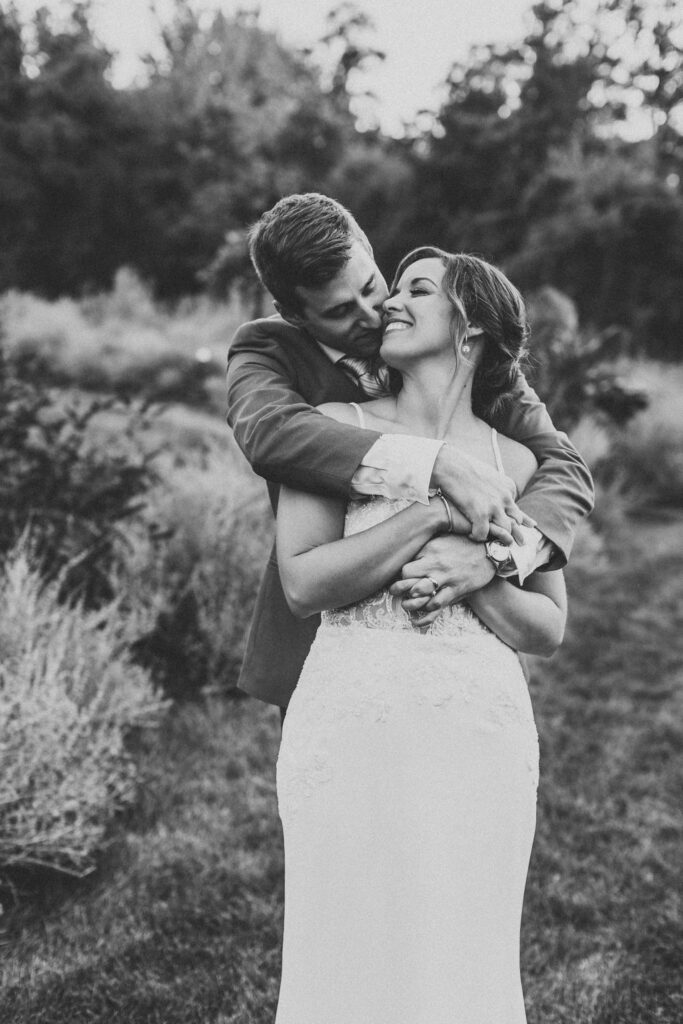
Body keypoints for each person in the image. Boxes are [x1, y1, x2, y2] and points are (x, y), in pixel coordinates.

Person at [274, 247, 569, 1023]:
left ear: (468, 328)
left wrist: (481, 575)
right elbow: (303, 583)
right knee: (343, 950)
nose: (389, 304)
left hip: (476, 731)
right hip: (351, 718)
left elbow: (547, 625)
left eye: (417, 289)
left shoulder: (520, 460)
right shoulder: (334, 428)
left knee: (457, 953)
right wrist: (433, 511)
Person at [226, 193, 593, 716]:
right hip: (332, 649)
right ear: (296, 315)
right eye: (340, 312)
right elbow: (272, 434)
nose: (374, 313)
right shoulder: (267, 350)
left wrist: (494, 557)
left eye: (372, 286)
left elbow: (566, 467)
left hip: (463, 672)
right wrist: (436, 466)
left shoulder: (462, 352)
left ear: (371, 253)